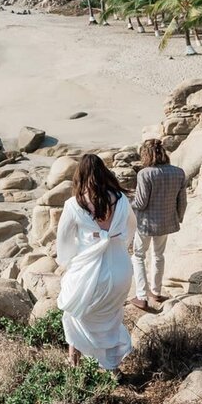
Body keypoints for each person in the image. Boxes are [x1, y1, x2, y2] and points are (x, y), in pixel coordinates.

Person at [56, 154, 137, 369]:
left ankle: (75, 362)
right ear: (104, 173)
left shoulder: (74, 204)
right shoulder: (120, 199)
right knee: (111, 319)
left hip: (90, 271)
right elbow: (131, 228)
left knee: (74, 314)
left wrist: (71, 261)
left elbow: (63, 242)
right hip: (120, 268)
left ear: (79, 176)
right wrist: (118, 246)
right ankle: (111, 368)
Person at [129, 138, 187, 310]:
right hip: (166, 221)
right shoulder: (178, 172)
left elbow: (140, 203)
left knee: (138, 256)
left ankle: (141, 296)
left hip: (146, 223)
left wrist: (127, 201)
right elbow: (182, 201)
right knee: (158, 255)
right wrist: (179, 217)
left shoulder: (145, 174)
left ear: (146, 155)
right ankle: (156, 292)